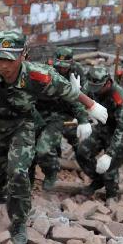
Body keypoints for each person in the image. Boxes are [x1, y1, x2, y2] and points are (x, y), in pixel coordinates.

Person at [0, 30, 107, 244]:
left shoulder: (37, 75)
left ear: (23, 55)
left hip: (22, 125)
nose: (4, 65)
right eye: (0, 58)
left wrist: (90, 107)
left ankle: (19, 222)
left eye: (10, 59)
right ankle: (0, 195)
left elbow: (68, 91)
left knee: (17, 172)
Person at [32, 47, 89, 190]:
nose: (61, 69)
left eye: (65, 67)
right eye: (59, 66)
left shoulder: (77, 71)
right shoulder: (45, 69)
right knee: (32, 145)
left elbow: (83, 98)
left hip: (64, 113)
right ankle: (32, 174)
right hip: (42, 112)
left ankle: (52, 172)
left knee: (44, 148)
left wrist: (83, 119)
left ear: (72, 63)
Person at [76, 66, 123, 200]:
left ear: (107, 83)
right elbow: (80, 101)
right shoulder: (90, 85)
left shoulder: (120, 97)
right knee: (82, 152)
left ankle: (112, 194)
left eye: (98, 88)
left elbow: (122, 129)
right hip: (101, 127)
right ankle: (98, 180)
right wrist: (82, 119)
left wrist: (109, 154)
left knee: (110, 167)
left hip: (116, 133)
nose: (94, 91)